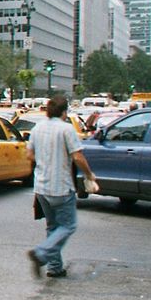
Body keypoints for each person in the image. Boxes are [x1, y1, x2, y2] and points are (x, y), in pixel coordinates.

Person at [26, 93, 98, 280]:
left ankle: (55, 267)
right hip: (61, 187)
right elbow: (78, 156)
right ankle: (42, 253)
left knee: (52, 227)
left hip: (41, 186)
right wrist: (89, 175)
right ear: (64, 112)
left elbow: (29, 155)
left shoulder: (37, 128)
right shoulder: (67, 129)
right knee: (68, 225)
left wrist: (45, 160)